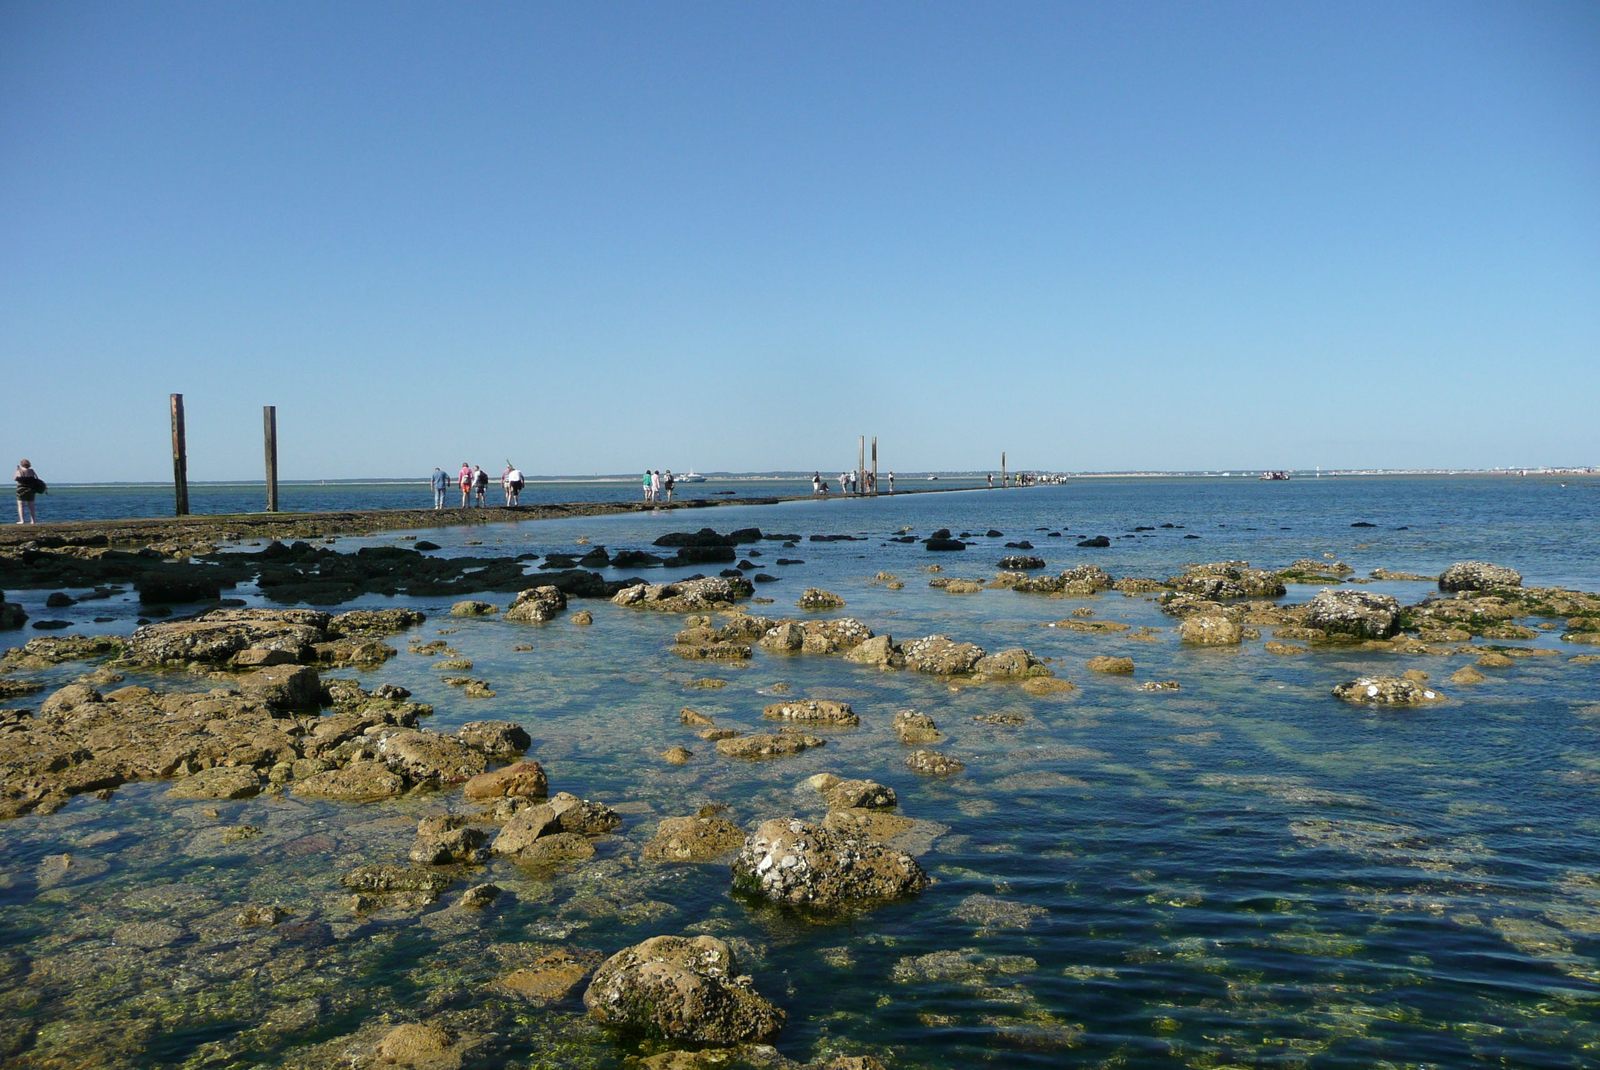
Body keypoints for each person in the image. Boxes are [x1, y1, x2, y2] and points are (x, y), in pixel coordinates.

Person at [14, 460, 43, 524]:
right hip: (31, 490)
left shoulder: (20, 471)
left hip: (21, 490)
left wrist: (17, 471)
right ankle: (33, 520)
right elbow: (35, 478)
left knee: (21, 505)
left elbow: (15, 478)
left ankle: (22, 520)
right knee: (31, 506)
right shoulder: (32, 471)